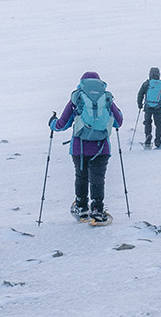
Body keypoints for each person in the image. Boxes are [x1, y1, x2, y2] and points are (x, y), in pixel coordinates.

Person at [51, 71, 124, 223]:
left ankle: (81, 207)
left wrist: (52, 123)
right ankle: (97, 209)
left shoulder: (77, 99)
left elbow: (62, 124)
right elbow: (118, 122)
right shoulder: (106, 98)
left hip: (80, 148)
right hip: (101, 148)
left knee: (81, 176)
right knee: (98, 179)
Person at [136, 66, 161, 148]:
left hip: (148, 107)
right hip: (158, 108)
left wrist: (140, 104)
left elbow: (140, 94)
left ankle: (148, 138)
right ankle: (158, 141)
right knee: (159, 125)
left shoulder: (146, 83)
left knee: (147, 123)